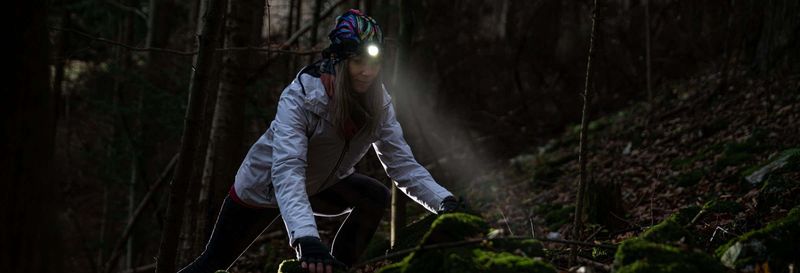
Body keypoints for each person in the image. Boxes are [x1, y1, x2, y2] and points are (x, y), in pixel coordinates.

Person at [177, 9, 459, 273]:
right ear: (339, 60)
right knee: (212, 263)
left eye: (374, 62)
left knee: (374, 196)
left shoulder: (379, 103)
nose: (367, 71)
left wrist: (445, 202)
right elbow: (287, 171)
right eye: (358, 61)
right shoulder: (301, 97)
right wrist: (306, 240)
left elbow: (402, 165)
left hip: (320, 184)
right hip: (262, 190)